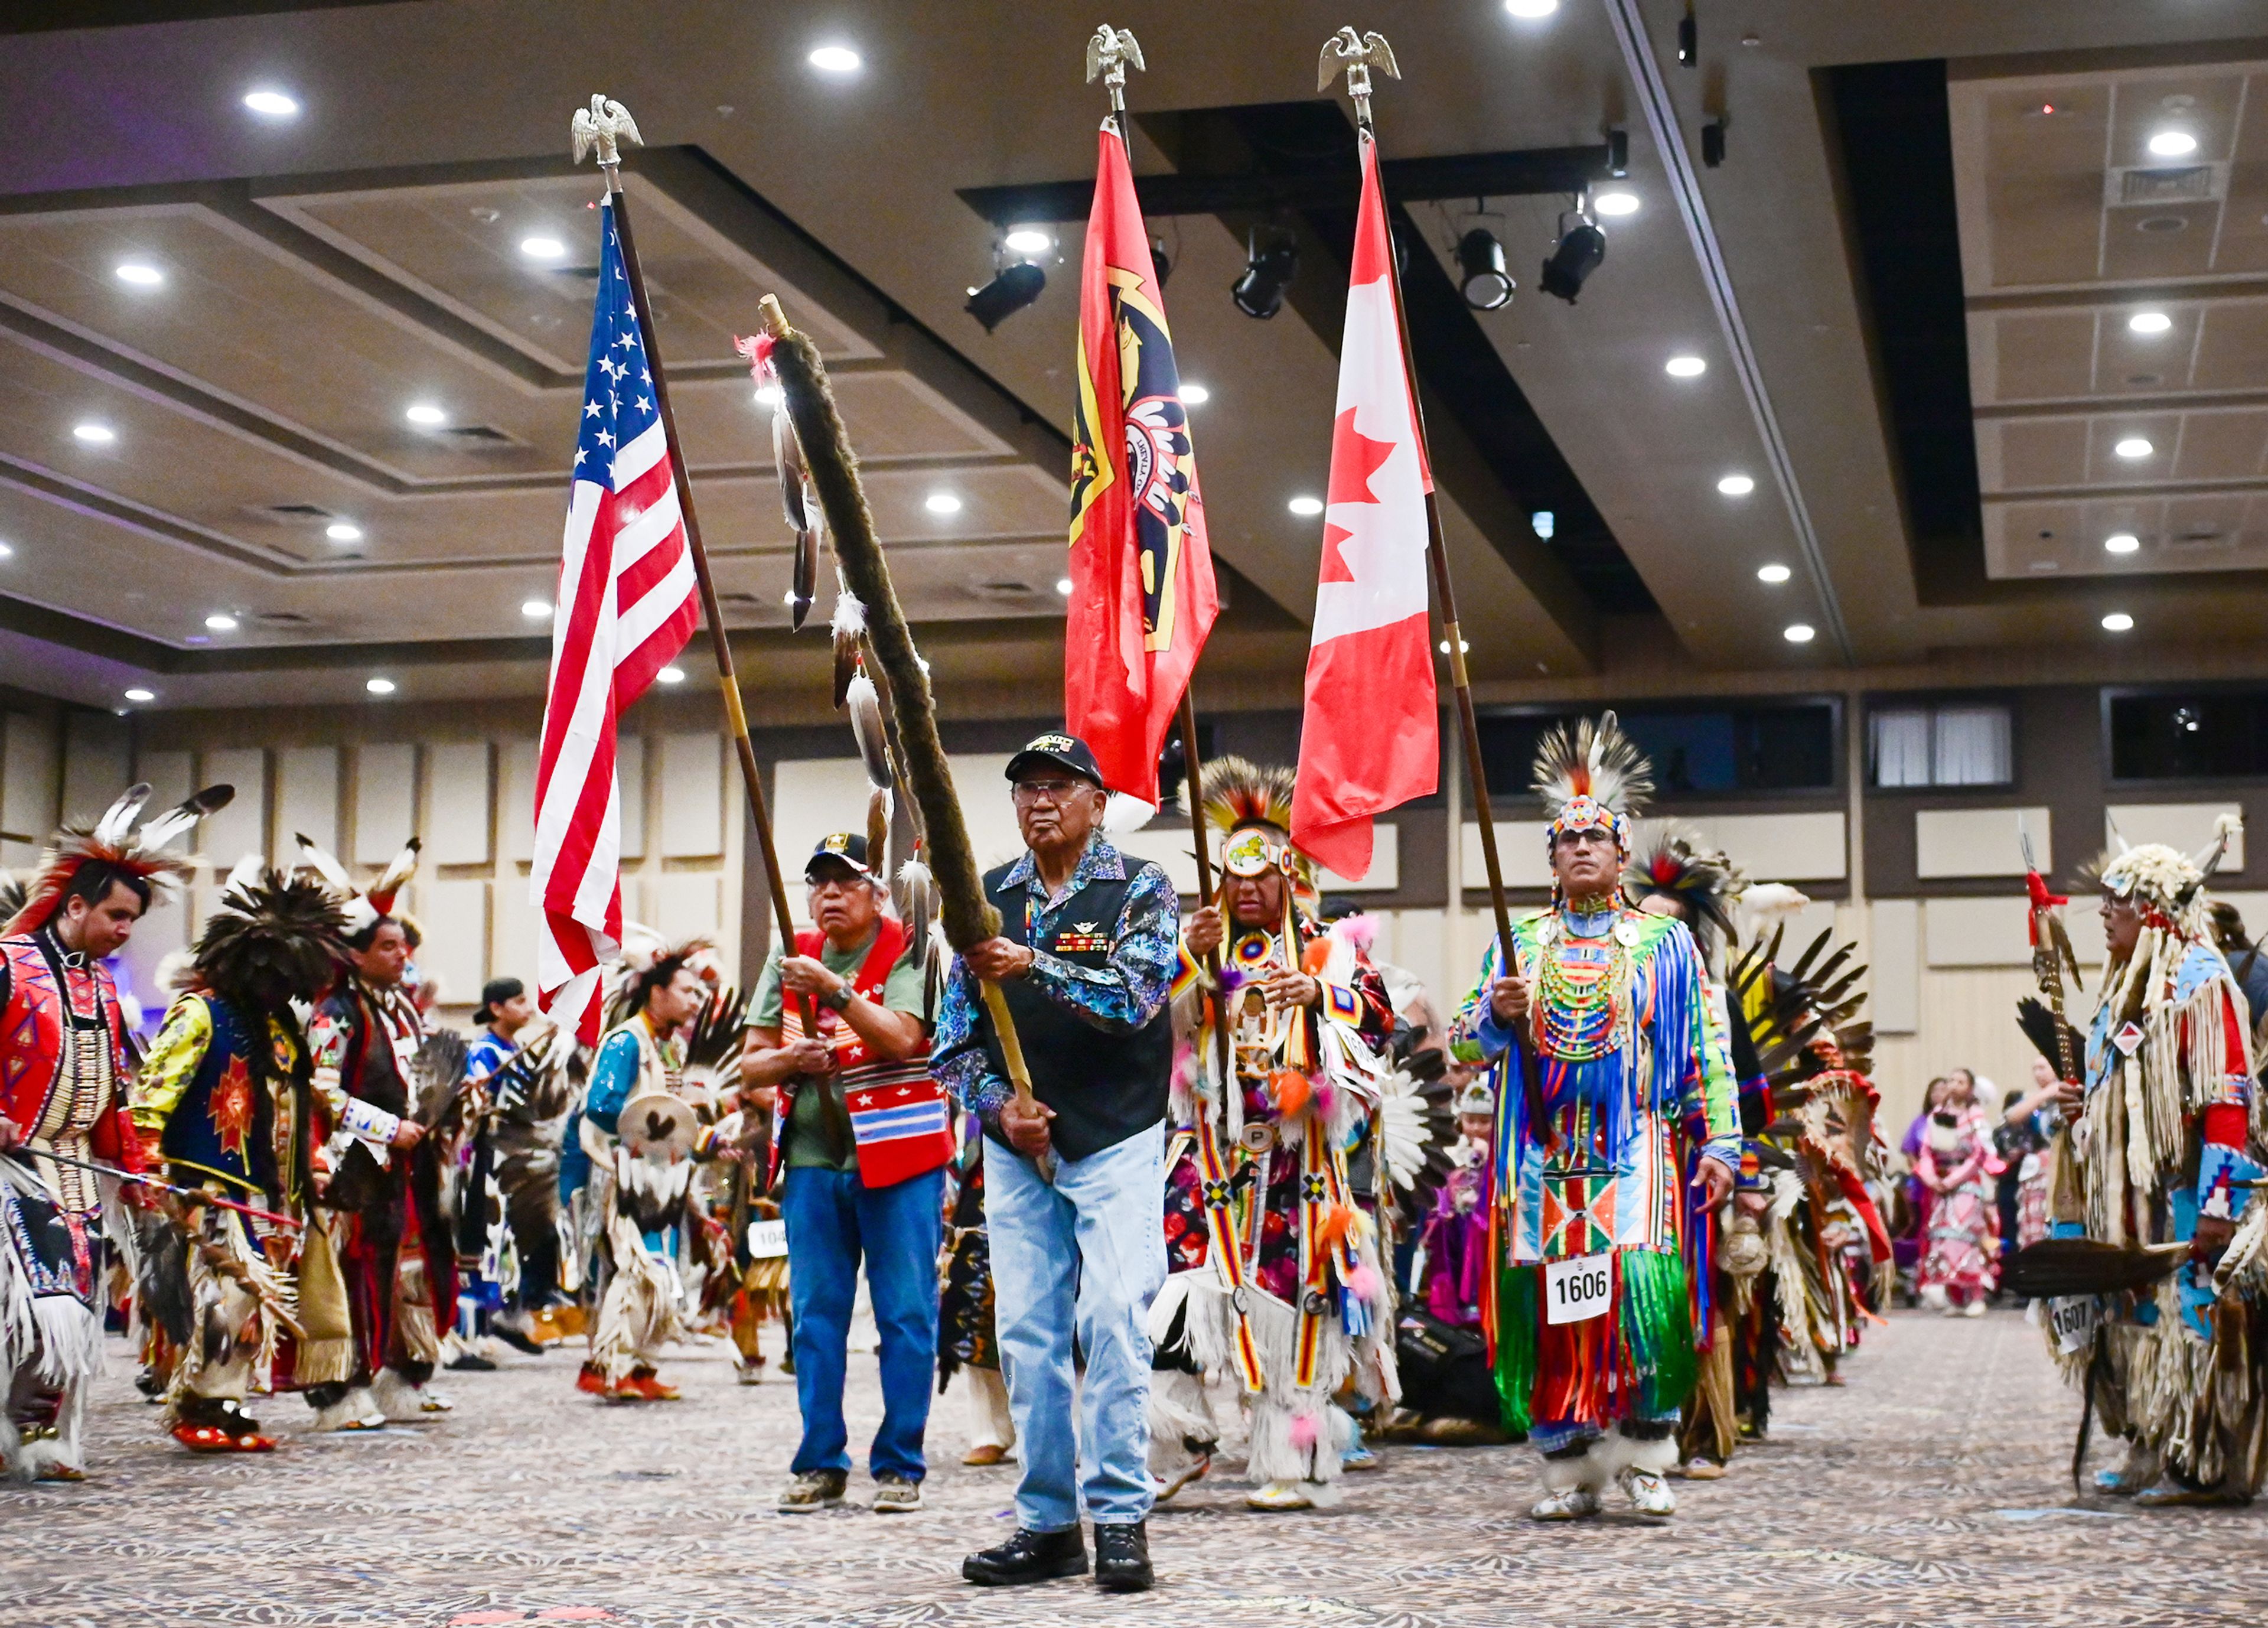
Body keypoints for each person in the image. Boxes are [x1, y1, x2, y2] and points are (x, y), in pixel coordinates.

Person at [1448, 714, 1737, 1522]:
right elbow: (1464, 1051)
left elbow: (1705, 1046)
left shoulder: (1662, 944)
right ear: (1551, 859)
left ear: (1619, 853)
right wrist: (1497, 1017)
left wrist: (1719, 1138)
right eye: (1566, 840)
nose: (1581, 849)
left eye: (1596, 839)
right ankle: (1568, 1465)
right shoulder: (1519, 944)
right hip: (1540, 1158)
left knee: (1641, 1297)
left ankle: (1647, 1455)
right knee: (1555, 1311)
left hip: (1638, 1148)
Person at [933, 732, 1178, 1593]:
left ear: (1097, 803)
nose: (1040, 801)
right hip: (1019, 1147)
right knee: (1029, 1334)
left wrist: (1031, 963)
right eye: (1026, 788)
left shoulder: (1140, 887)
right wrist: (1001, 1106)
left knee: (1111, 1318)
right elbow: (952, 1047)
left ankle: (1119, 1516)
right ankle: (1047, 1524)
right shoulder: (982, 898)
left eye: (1060, 787)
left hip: (1117, 1133)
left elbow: (1138, 997)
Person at [1155, 756, 1401, 1511]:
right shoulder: (1201, 943)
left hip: (1300, 1162)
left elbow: (1381, 1021)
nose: (1251, 887)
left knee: (1297, 1304)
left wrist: (1320, 993)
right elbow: (1143, 1020)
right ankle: (1175, 1439)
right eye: (1238, 874)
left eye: (1266, 873)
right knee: (1171, 1292)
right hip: (1210, 1154)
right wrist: (1187, 958)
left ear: (1291, 874)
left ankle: (1287, 1456)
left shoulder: (1329, 945)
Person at [0, 782, 227, 1479]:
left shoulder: (101, 986)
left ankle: (37, 1435)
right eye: (117, 914)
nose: (126, 929)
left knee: (69, 1306)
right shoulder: (9, 965)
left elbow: (114, 1090)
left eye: (133, 918)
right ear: (75, 905)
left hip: (74, 1169)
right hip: (14, 1165)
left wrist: (133, 1169)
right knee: (27, 1302)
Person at [2054, 827, 2267, 1506]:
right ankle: (2153, 1443)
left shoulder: (2202, 983)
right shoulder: (2125, 987)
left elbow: (2225, 1098)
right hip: (2133, 1195)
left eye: (2114, 902)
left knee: (2199, 1322)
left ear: (2151, 909)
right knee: (2139, 1322)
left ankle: (2214, 1461)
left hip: (2185, 1191)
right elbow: (2121, 1089)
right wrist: (2082, 1109)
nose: (2103, 914)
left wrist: (2217, 1205)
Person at [739, 832, 945, 1515]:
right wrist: (798, 1063)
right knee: (815, 1319)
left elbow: (904, 1036)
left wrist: (835, 989)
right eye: (818, 882)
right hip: (811, 1160)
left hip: (901, 1156)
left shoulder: (907, 947)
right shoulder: (787, 955)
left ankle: (900, 1463)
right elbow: (751, 1066)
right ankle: (821, 1459)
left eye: (845, 881)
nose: (829, 894)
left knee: (908, 1315)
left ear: (876, 892)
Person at [133, 864, 351, 1453]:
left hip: (271, 1189)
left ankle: (228, 1402)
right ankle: (194, 1402)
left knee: (255, 1298)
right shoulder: (199, 1013)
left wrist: (313, 1163)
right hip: (209, 1182)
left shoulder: (282, 1028)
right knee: (218, 1298)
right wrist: (154, 1168)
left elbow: (300, 1103)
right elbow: (152, 1096)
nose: (284, 991)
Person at [300, 835, 455, 1429]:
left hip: (405, 1167)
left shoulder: (401, 1008)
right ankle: (340, 1389)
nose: (402, 953)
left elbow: (419, 1076)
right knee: (352, 1272)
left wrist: (445, 1112)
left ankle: (404, 1374)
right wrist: (388, 1126)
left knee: (410, 1267)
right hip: (350, 1167)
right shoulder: (335, 1011)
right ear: (356, 953)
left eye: (405, 944)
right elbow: (321, 1087)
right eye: (388, 945)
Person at [575, 944, 711, 1402]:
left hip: (664, 1178)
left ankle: (641, 1367)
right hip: (626, 1176)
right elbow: (601, 1103)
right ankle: (605, 1368)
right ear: (656, 992)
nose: (696, 1001)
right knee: (638, 1267)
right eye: (688, 991)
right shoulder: (626, 1041)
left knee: (666, 1267)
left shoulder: (668, 1047)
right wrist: (649, 1126)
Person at [1914, 1070, 2002, 1316]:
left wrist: (1954, 1179)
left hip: (1966, 1184)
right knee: (1943, 1238)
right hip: (1942, 1186)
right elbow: (1927, 1152)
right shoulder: (1939, 1116)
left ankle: (1975, 1296)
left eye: (1961, 1082)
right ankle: (1954, 1297)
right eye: (1951, 1080)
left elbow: (1979, 1154)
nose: (1954, 1085)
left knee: (1965, 1236)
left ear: (1971, 1089)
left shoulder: (1975, 1117)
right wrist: (1932, 1178)